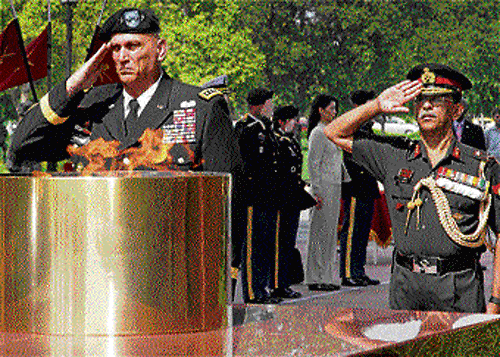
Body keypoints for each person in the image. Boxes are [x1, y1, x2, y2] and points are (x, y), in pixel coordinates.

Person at [325, 63, 500, 314]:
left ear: (456, 110)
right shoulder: (394, 156)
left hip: (458, 288)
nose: (426, 106)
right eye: (420, 100)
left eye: (437, 100)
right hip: (406, 287)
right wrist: (376, 105)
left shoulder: (481, 166)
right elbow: (333, 132)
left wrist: (496, 302)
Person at [7, 8, 241, 175]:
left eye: (133, 46)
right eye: (116, 48)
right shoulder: (94, 105)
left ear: (160, 49)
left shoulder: (200, 107)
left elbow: (228, 199)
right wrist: (74, 86)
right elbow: (22, 147)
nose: (122, 57)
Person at [235, 87, 282, 304]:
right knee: (253, 245)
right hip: (253, 195)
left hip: (268, 194)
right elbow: (244, 165)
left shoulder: (266, 128)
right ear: (260, 105)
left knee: (264, 243)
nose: (271, 107)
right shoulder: (247, 128)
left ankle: (262, 287)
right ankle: (253, 292)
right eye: (269, 103)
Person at [271, 105, 316, 299]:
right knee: (281, 243)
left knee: (288, 242)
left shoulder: (290, 141)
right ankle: (277, 284)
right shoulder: (278, 141)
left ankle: (283, 282)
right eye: (291, 120)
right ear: (282, 121)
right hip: (283, 198)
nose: (294, 123)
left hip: (292, 197)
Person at [339, 90, 381, 287]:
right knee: (353, 230)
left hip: (367, 185)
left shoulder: (366, 127)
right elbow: (352, 157)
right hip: (356, 184)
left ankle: (358, 269)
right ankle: (348, 271)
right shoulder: (352, 126)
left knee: (363, 231)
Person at [304, 94, 343, 292]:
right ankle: (314, 276)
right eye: (331, 109)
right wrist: (316, 191)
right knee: (319, 232)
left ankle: (327, 274)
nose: (334, 113)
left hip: (335, 185)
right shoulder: (318, 133)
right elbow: (313, 164)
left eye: (335, 109)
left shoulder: (331, 132)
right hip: (323, 187)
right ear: (321, 110)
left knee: (329, 234)